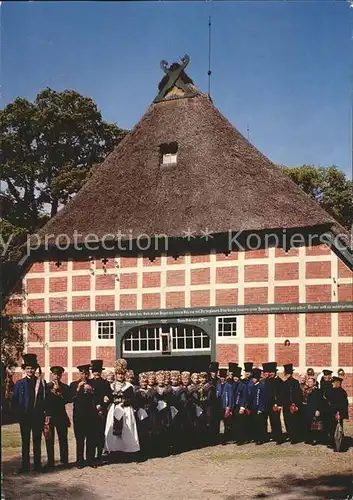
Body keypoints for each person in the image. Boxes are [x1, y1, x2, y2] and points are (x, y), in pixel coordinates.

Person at [12, 354, 47, 473]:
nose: (30, 370)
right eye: (28, 368)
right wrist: (18, 415)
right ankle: (25, 466)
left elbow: (45, 400)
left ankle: (37, 465)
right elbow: (15, 401)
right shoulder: (19, 383)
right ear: (24, 369)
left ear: (35, 369)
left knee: (37, 441)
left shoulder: (41, 383)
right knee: (25, 442)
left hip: (37, 417)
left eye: (32, 368)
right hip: (25, 417)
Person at [105, 359, 140, 459]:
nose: (120, 376)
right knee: (112, 428)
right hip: (114, 409)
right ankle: (114, 451)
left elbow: (133, 400)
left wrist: (125, 402)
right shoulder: (111, 386)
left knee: (126, 429)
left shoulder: (129, 386)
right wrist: (107, 398)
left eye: (122, 374)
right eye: (118, 374)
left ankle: (128, 451)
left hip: (125, 410)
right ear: (115, 374)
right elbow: (108, 397)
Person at [70, 364, 97, 468]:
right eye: (82, 373)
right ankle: (80, 461)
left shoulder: (93, 383)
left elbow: (97, 397)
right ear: (79, 374)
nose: (84, 375)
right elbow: (71, 398)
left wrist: (92, 390)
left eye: (86, 373)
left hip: (90, 415)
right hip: (79, 416)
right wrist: (78, 388)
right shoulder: (73, 384)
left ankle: (90, 460)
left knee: (91, 438)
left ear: (88, 373)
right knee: (80, 439)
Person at [45, 366, 71, 469]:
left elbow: (68, 400)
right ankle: (50, 461)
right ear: (52, 375)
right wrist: (52, 391)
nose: (56, 376)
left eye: (58, 374)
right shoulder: (46, 387)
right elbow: (45, 401)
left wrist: (59, 392)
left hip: (61, 415)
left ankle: (64, 461)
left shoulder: (65, 387)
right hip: (50, 415)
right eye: (55, 374)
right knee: (49, 439)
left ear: (61, 375)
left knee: (63, 439)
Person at [88, 360, 112, 465]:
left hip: (102, 412)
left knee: (100, 434)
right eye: (94, 371)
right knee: (91, 435)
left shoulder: (105, 383)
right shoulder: (89, 383)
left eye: (98, 371)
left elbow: (109, 396)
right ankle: (91, 457)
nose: (96, 373)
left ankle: (99, 456)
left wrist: (105, 402)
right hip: (91, 412)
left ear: (100, 372)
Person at [263, 362, 284, 444]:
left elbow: (281, 394)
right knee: (271, 421)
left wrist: (279, 404)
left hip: (276, 404)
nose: (271, 374)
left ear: (275, 372)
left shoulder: (279, 381)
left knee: (276, 421)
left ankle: (279, 438)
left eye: (272, 372)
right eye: (269, 372)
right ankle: (274, 436)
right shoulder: (268, 381)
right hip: (269, 404)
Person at [326, 376, 349, 451]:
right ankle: (333, 444)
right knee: (332, 430)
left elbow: (344, 405)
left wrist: (340, 414)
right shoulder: (332, 390)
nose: (332, 383)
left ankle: (339, 446)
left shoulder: (342, 392)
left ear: (338, 383)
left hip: (338, 414)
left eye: (333, 382)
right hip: (331, 413)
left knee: (339, 430)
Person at [282, 364, 302, 444]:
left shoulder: (295, 382)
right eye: (286, 374)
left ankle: (295, 437)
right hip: (286, 405)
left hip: (293, 404)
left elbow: (298, 394)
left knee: (294, 421)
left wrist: (296, 404)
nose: (287, 375)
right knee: (287, 421)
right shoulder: (284, 383)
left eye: (288, 373)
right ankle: (290, 435)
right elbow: (283, 395)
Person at [301, 377, 323, 445]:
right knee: (307, 424)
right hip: (307, 409)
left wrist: (318, 410)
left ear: (314, 383)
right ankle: (308, 438)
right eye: (309, 381)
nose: (309, 383)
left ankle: (315, 439)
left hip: (314, 409)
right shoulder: (306, 390)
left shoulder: (317, 391)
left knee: (315, 425)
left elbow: (320, 401)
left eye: (311, 382)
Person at [249, 368, 268, 445]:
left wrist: (261, 408)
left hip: (260, 408)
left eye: (254, 378)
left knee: (261, 424)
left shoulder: (262, 386)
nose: (253, 380)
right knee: (255, 423)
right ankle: (257, 437)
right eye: (252, 378)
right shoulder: (253, 386)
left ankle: (261, 438)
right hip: (254, 407)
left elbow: (263, 398)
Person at [216, 368, 234, 444]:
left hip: (225, 406)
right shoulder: (218, 385)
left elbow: (230, 397)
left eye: (223, 377)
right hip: (219, 406)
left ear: (226, 377)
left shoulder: (229, 386)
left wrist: (229, 407)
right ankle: (220, 438)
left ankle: (225, 439)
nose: (222, 379)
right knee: (220, 423)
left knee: (226, 423)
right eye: (221, 377)